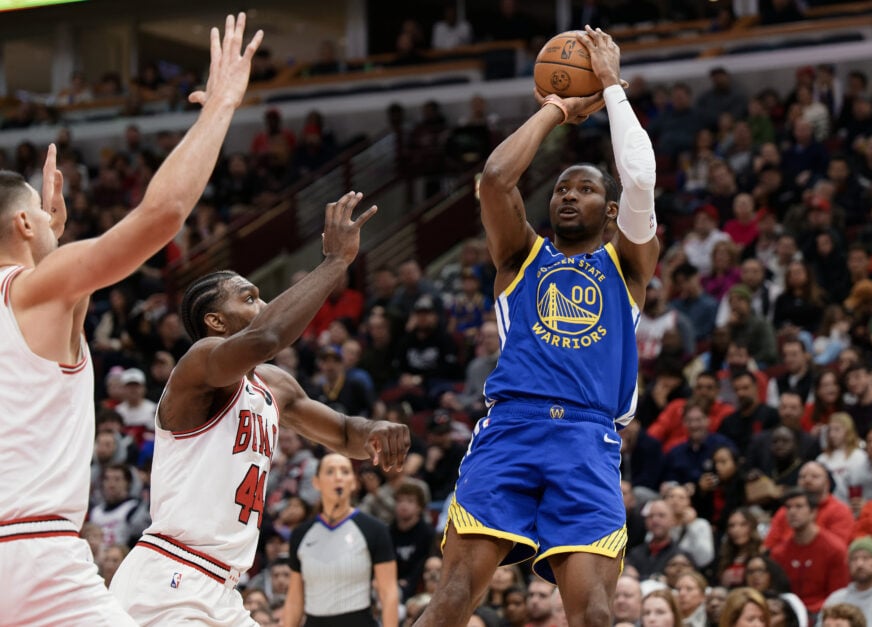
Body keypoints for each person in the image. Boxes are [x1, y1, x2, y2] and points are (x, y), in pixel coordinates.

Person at [0, 12, 263, 626]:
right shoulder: (37, 292)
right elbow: (161, 216)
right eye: (42, 214)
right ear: (22, 224)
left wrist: (50, 242)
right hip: (36, 558)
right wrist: (219, 107)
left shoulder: (40, 298)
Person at [414, 26, 658, 627]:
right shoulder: (521, 257)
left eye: (586, 188)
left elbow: (642, 180)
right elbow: (496, 180)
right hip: (511, 429)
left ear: (609, 211)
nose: (569, 195)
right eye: (561, 187)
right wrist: (555, 107)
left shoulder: (626, 266)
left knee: (596, 614)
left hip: (587, 438)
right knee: (450, 600)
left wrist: (612, 88)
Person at [108, 191, 410, 625]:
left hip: (224, 588)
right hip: (170, 577)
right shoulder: (199, 364)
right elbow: (268, 337)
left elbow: (345, 434)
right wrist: (334, 263)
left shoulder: (273, 384)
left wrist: (377, 429)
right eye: (249, 299)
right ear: (215, 321)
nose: (265, 306)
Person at [282, 454, 399, 627]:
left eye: (345, 472)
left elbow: (388, 593)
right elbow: (294, 599)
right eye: (330, 472)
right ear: (316, 482)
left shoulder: (375, 530)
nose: (338, 477)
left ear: (353, 482)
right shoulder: (300, 534)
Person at [769, 489, 849, 614]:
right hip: (789, 614)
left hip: (824, 614)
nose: (792, 512)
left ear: (813, 512)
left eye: (799, 506)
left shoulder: (834, 549)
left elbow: (838, 597)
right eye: (788, 507)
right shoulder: (779, 553)